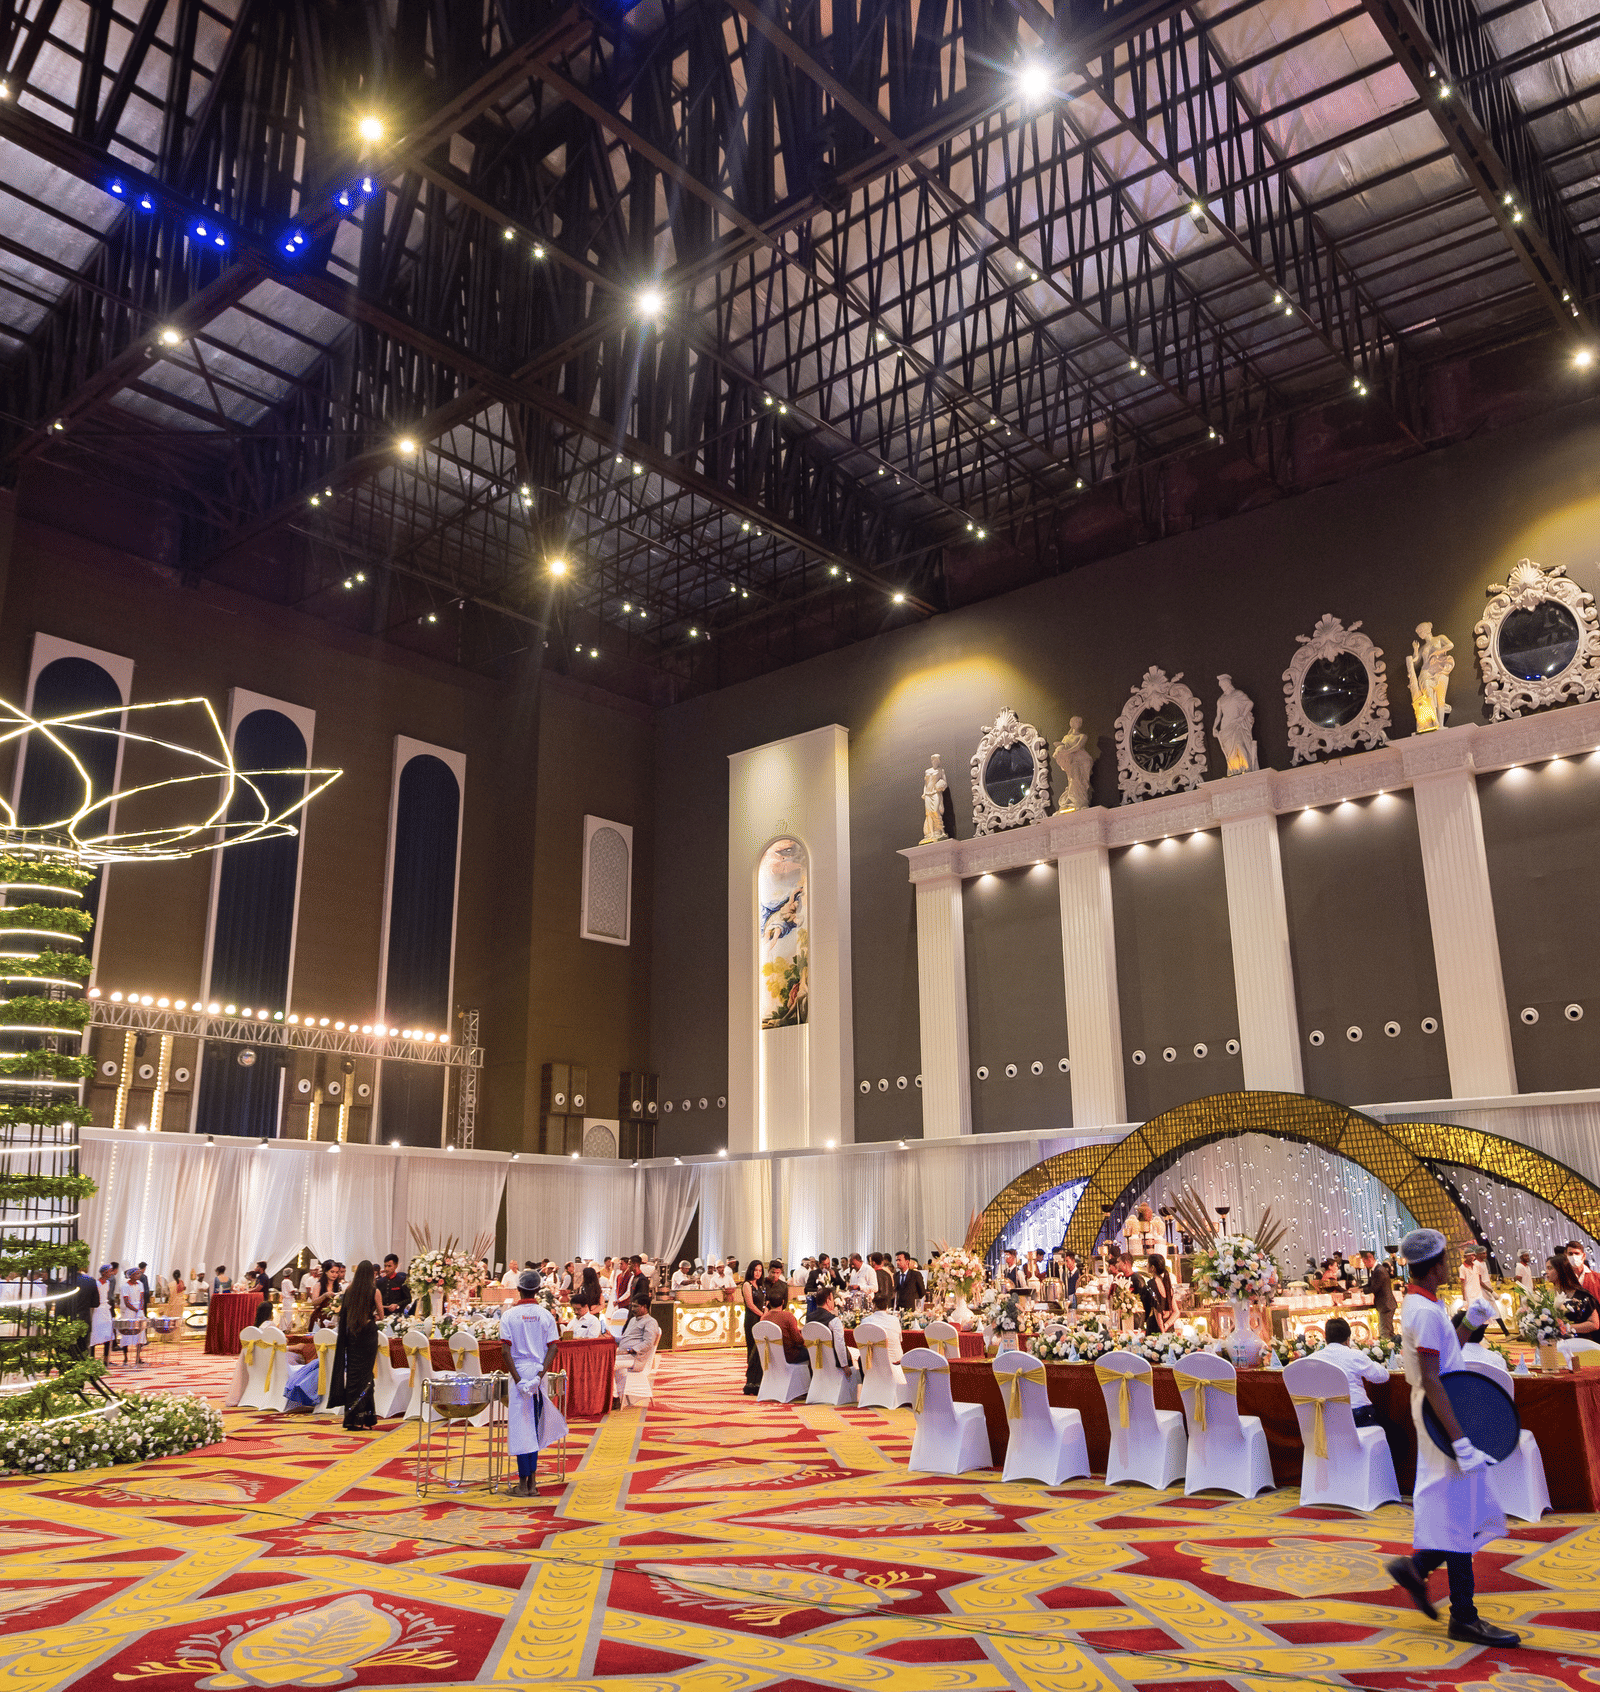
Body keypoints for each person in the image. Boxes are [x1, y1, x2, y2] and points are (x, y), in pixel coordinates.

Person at [1384, 1229, 1518, 1648]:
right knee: (1460, 1513)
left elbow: (1446, 1354)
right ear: (1437, 1264)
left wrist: (1468, 1322)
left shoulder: (1424, 1304)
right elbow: (1431, 1377)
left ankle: (1418, 1568)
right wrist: (1459, 1440)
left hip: (1440, 1408)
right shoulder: (1422, 1311)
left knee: (1457, 1509)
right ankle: (1464, 1614)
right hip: (1440, 1413)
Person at [502, 1267, 567, 1497]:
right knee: (535, 1426)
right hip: (539, 1371)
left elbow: (505, 1351)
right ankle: (532, 1482)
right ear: (538, 1290)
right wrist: (539, 1377)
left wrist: (519, 1380)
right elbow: (554, 1347)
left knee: (522, 1429)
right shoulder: (545, 1315)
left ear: (519, 1289)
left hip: (519, 1371)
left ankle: (523, 1483)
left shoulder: (509, 1315)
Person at [323, 1259, 385, 1430]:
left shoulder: (349, 1290)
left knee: (353, 1375)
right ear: (371, 1274)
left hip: (353, 1336)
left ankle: (352, 1417)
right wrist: (374, 1317)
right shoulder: (374, 1291)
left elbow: (346, 1313)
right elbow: (381, 1315)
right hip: (368, 1336)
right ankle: (364, 1416)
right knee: (366, 1376)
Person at [614, 1292, 661, 1405]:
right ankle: (617, 1394)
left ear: (644, 1307)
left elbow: (648, 1343)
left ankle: (614, 1398)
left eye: (635, 1306)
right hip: (624, 1355)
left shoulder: (651, 1322)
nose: (632, 1309)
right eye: (632, 1306)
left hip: (636, 1358)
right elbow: (625, 1339)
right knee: (604, 1360)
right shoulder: (632, 1320)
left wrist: (630, 1350)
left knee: (609, 1364)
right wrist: (611, 1338)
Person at [1548, 1254, 1600, 1340]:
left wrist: (1567, 1328)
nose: (1546, 1272)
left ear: (1560, 1270)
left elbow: (1594, 1324)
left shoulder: (1582, 1296)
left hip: (1580, 1345)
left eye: (1550, 1268)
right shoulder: (1548, 1295)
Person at [739, 1259, 767, 1394]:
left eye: (760, 1270)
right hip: (751, 1319)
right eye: (756, 1270)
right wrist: (762, 1314)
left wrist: (765, 1313)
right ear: (751, 1270)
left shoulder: (761, 1286)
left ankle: (760, 1380)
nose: (758, 1273)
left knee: (761, 1350)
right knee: (752, 1349)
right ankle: (750, 1381)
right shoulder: (747, 1285)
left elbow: (764, 1302)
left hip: (761, 1318)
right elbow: (750, 1305)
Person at [811, 1285, 850, 1370]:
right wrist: (845, 1365)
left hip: (815, 1361)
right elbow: (839, 1344)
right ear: (828, 1301)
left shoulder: (809, 1318)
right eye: (832, 1299)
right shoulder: (834, 1320)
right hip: (834, 1363)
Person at [118, 1267, 147, 1366]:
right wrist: (135, 1310)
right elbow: (127, 1302)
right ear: (131, 1275)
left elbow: (142, 1298)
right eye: (137, 1274)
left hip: (139, 1310)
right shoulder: (125, 1286)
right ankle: (125, 1358)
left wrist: (140, 1309)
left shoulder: (141, 1284)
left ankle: (138, 1357)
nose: (139, 1276)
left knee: (140, 1334)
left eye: (139, 1274)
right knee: (126, 1333)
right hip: (130, 1311)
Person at [1367, 1248, 1397, 1340]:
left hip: (1386, 1305)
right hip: (1386, 1305)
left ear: (1370, 1259)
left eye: (1364, 1262)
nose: (1364, 1265)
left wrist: (1361, 1291)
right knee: (1389, 1332)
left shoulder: (1379, 1270)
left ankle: (1388, 1353)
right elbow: (1371, 1284)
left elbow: (1374, 1287)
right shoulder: (1377, 1269)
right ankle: (1393, 1351)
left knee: (1385, 1333)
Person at [72, 1264, 100, 1360]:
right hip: (84, 1317)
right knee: (83, 1346)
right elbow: (96, 1303)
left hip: (69, 1318)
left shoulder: (66, 1281)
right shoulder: (90, 1281)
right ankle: (82, 1366)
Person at [1142, 1254, 1175, 1333]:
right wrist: (1167, 1325)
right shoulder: (1166, 1282)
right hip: (1169, 1328)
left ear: (1152, 1268)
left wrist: (1162, 1330)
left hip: (1156, 1328)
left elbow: (1157, 1309)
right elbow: (1176, 1311)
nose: (1146, 1266)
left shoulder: (1151, 1283)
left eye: (1147, 1264)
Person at [90, 1264, 116, 1362]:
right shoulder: (96, 1283)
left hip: (106, 1310)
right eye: (110, 1271)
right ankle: (92, 1358)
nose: (111, 1273)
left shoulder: (108, 1283)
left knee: (108, 1334)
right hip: (98, 1309)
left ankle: (106, 1359)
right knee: (95, 1334)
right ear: (104, 1272)